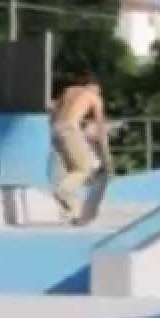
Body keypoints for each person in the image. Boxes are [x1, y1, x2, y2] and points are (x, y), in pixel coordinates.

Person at [50, 71, 112, 224]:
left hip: (55, 131)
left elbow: (53, 111)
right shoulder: (94, 97)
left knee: (73, 171)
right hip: (70, 129)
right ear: (94, 86)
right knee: (84, 168)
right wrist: (106, 154)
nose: (99, 93)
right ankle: (62, 191)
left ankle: (73, 212)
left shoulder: (69, 90)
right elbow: (100, 127)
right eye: (99, 90)